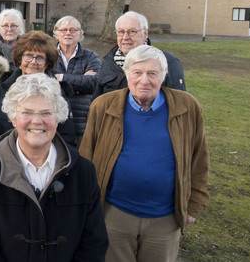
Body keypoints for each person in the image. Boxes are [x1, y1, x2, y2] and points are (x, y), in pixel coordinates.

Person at [80, 45, 209, 262]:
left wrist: (194, 205)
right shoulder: (103, 106)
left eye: (152, 73)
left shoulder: (187, 107)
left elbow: (199, 159)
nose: (144, 80)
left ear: (164, 75)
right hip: (114, 214)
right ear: (127, 74)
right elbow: (86, 157)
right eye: (137, 73)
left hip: (165, 218)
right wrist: (87, 206)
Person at [0, 73, 108, 261]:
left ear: (58, 118)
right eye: (27, 112)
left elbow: (94, 243)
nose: (36, 121)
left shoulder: (83, 172)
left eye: (46, 113)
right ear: (13, 117)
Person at [0, 30, 76, 152]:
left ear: (47, 63)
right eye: (28, 56)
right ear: (19, 60)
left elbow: (67, 138)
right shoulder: (3, 90)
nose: (33, 61)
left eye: (39, 57)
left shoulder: (57, 93)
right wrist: (2, 157)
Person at [93, 11, 185, 100]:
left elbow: (178, 102)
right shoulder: (108, 62)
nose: (125, 37)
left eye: (132, 31)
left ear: (145, 34)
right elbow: (97, 102)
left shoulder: (167, 61)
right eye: (121, 32)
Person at [52, 16, 102, 143]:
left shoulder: (91, 57)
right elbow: (47, 81)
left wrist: (62, 77)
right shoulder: (49, 55)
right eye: (64, 30)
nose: (68, 33)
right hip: (54, 122)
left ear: (80, 34)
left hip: (83, 122)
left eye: (73, 30)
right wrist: (81, 81)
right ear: (56, 33)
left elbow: (93, 83)